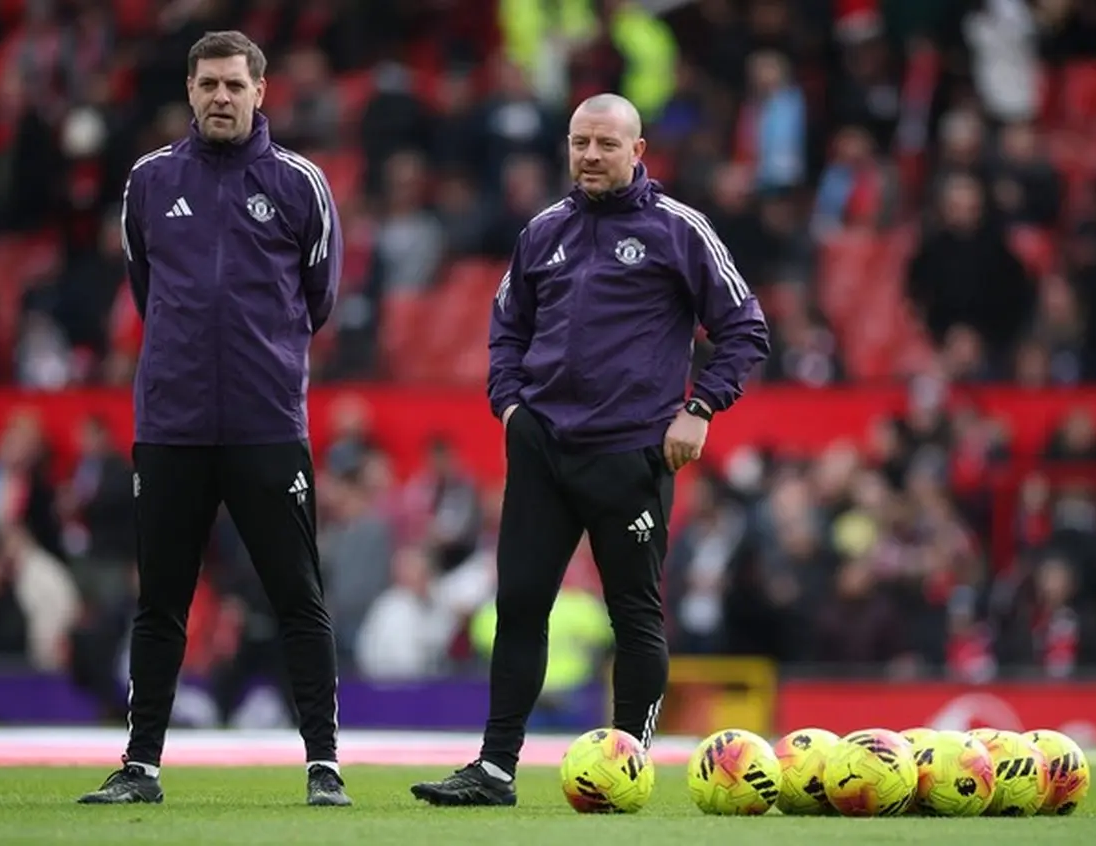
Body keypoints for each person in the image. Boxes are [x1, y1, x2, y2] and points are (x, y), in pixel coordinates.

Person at [411, 93, 770, 806]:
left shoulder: (679, 229)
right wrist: (511, 408)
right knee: (517, 606)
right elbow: (506, 330)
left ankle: (627, 766)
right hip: (543, 448)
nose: (590, 155)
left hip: (631, 454)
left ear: (639, 151)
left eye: (607, 143)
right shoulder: (543, 231)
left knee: (634, 614)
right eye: (580, 142)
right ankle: (494, 769)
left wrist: (699, 408)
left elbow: (745, 327)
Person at [77, 31, 348, 807]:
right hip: (172, 423)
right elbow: (145, 284)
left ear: (262, 90)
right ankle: (141, 767)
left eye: (235, 84)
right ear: (190, 92)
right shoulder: (150, 181)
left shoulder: (300, 183)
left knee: (298, 595)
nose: (221, 97)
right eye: (208, 85)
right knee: (161, 600)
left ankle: (323, 766)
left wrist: (264, 355)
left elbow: (318, 297)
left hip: (267, 423)